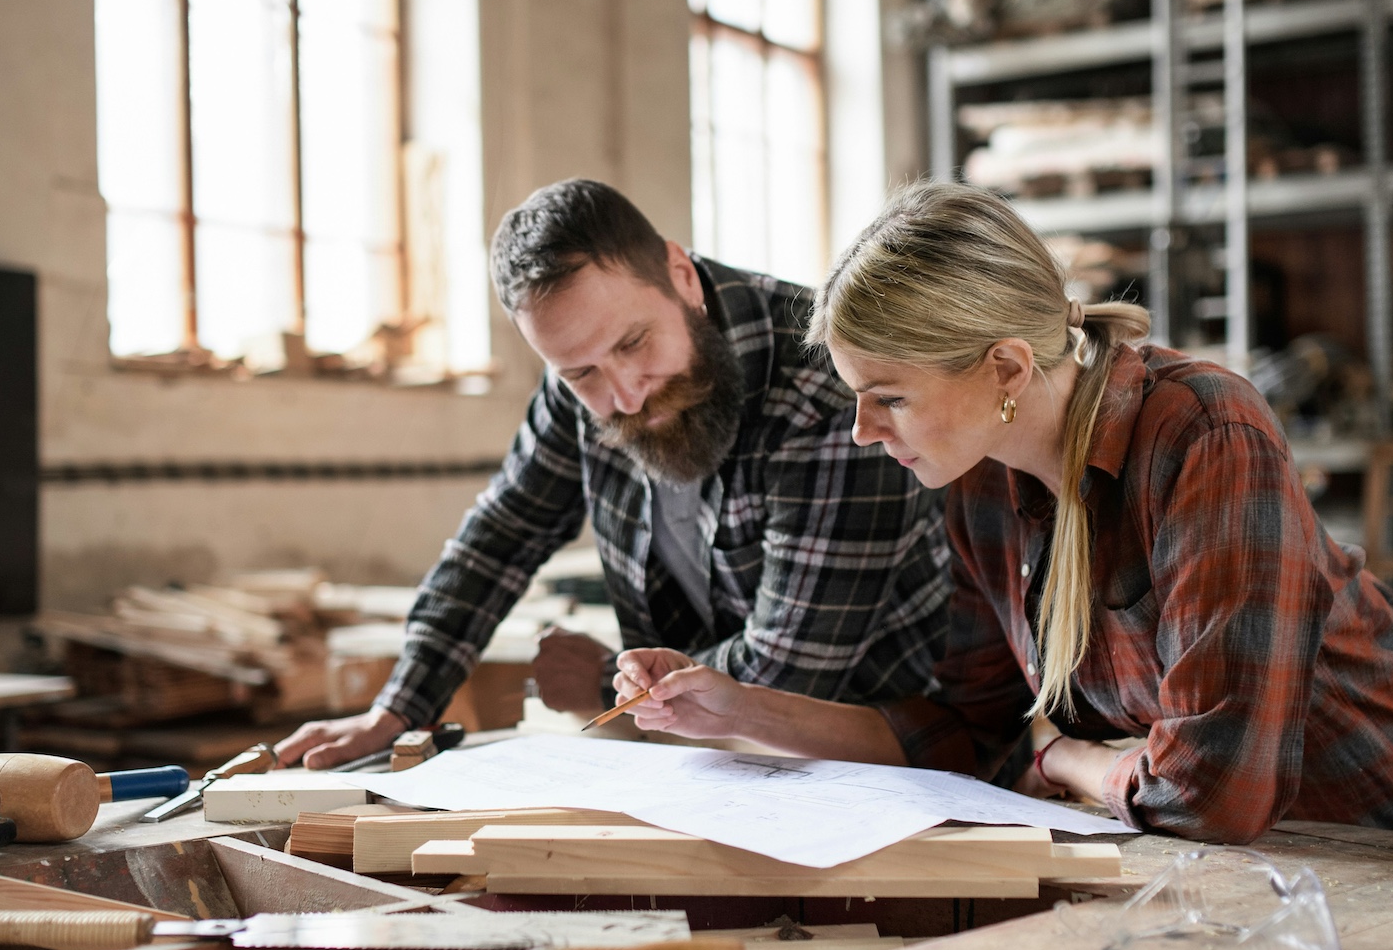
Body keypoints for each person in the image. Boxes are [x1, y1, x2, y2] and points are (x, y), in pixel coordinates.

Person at [612, 183, 1393, 849]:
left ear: (1008, 369)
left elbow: (1212, 792)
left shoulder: (1205, 431)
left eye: (886, 397)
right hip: (1273, 850)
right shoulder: (980, 481)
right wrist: (730, 705)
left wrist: (1071, 766)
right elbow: (970, 732)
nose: (862, 431)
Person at [275, 178, 951, 770]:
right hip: (708, 756)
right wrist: (399, 707)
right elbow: (500, 538)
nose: (625, 394)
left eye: (634, 343)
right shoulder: (579, 387)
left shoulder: (827, 387)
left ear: (681, 275)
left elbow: (786, 680)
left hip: (895, 763)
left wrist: (605, 685)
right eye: (582, 372)